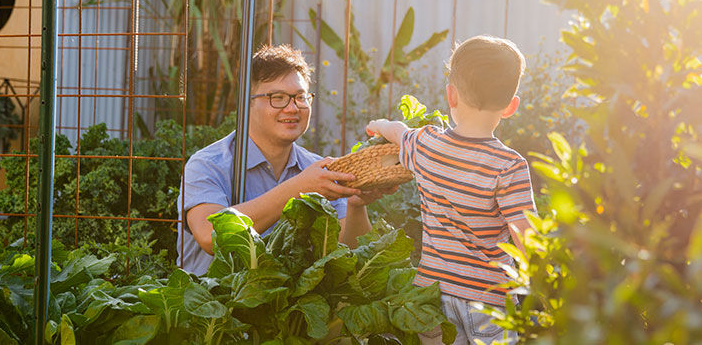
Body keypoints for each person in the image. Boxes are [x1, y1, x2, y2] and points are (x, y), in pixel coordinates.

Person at [365, 35, 535, 345]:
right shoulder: (509, 165)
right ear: (511, 107)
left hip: (432, 298)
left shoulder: (426, 144)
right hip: (489, 301)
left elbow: (398, 132)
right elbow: (525, 234)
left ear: (450, 96)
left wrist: (378, 124)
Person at [178, 44, 388, 275]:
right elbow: (211, 236)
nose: (292, 108)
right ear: (247, 103)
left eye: (300, 97)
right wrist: (298, 189)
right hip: (214, 305)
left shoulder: (316, 170)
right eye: (277, 97)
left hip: (289, 308)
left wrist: (355, 205)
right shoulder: (208, 165)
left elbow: (350, 251)